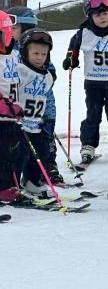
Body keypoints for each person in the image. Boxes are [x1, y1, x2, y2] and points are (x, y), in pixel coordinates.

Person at [62, 0, 108, 165]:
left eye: (105, 13)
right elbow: (73, 51)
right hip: (93, 83)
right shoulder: (83, 34)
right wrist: (71, 60)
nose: (102, 17)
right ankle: (88, 146)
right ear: (90, 17)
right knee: (93, 114)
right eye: (98, 15)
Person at [6, 6, 63, 184]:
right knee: (19, 145)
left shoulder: (36, 46)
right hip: (21, 105)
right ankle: (14, 178)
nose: (10, 31)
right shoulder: (10, 49)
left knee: (44, 138)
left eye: (14, 28)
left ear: (25, 29)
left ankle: (48, 167)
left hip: (42, 102)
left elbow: (50, 71)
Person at [15, 28, 57, 197]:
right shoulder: (19, 71)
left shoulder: (47, 76)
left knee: (40, 154)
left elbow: (47, 99)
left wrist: (48, 120)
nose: (40, 58)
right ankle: (11, 184)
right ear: (25, 52)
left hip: (37, 124)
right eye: (36, 53)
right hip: (19, 125)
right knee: (17, 156)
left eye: (44, 54)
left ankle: (31, 181)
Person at [0, 10, 24, 203]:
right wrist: (6, 106)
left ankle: (11, 183)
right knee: (3, 153)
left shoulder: (13, 55)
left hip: (13, 115)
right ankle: (3, 187)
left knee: (15, 151)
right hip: (3, 115)